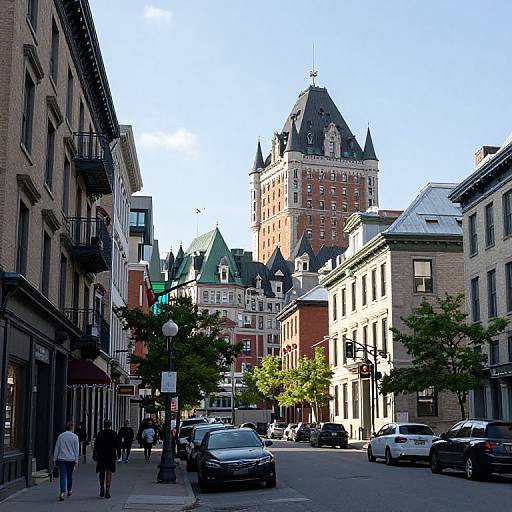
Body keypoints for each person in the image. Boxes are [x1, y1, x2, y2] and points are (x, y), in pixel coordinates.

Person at [93, 419, 120, 499]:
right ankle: (107, 489)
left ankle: (102, 487)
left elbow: (96, 445)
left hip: (101, 455)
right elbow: (118, 445)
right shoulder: (114, 434)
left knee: (101, 472)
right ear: (110, 425)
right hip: (111, 455)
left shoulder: (100, 434)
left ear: (104, 425)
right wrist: (119, 454)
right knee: (109, 472)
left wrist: (95, 455)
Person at [53, 421, 80, 501]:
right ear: (72, 427)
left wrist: (54, 459)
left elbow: (57, 448)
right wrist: (76, 460)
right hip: (71, 459)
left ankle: (62, 492)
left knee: (63, 476)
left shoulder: (61, 436)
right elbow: (76, 450)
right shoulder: (75, 437)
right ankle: (69, 490)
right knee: (69, 475)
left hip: (62, 459)